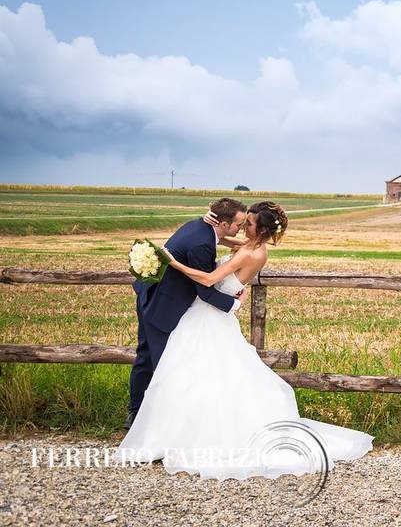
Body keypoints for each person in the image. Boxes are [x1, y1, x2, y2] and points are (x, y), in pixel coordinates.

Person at [119, 201, 374, 479]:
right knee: (199, 371)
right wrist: (211, 224)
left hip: (209, 315)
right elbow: (231, 239)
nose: (244, 227)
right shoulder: (252, 246)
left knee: (192, 371)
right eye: (243, 222)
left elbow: (207, 280)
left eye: (249, 224)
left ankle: (189, 431)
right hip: (209, 313)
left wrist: (174, 263)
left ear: (261, 229)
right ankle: (182, 425)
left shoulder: (249, 254)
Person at [126, 197, 248, 431]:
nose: (240, 230)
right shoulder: (202, 243)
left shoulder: (198, 226)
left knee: (146, 357)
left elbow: (222, 241)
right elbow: (205, 291)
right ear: (223, 224)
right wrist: (234, 304)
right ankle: (154, 423)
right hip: (163, 306)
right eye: (238, 225)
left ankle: (137, 414)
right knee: (163, 363)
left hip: (149, 294)